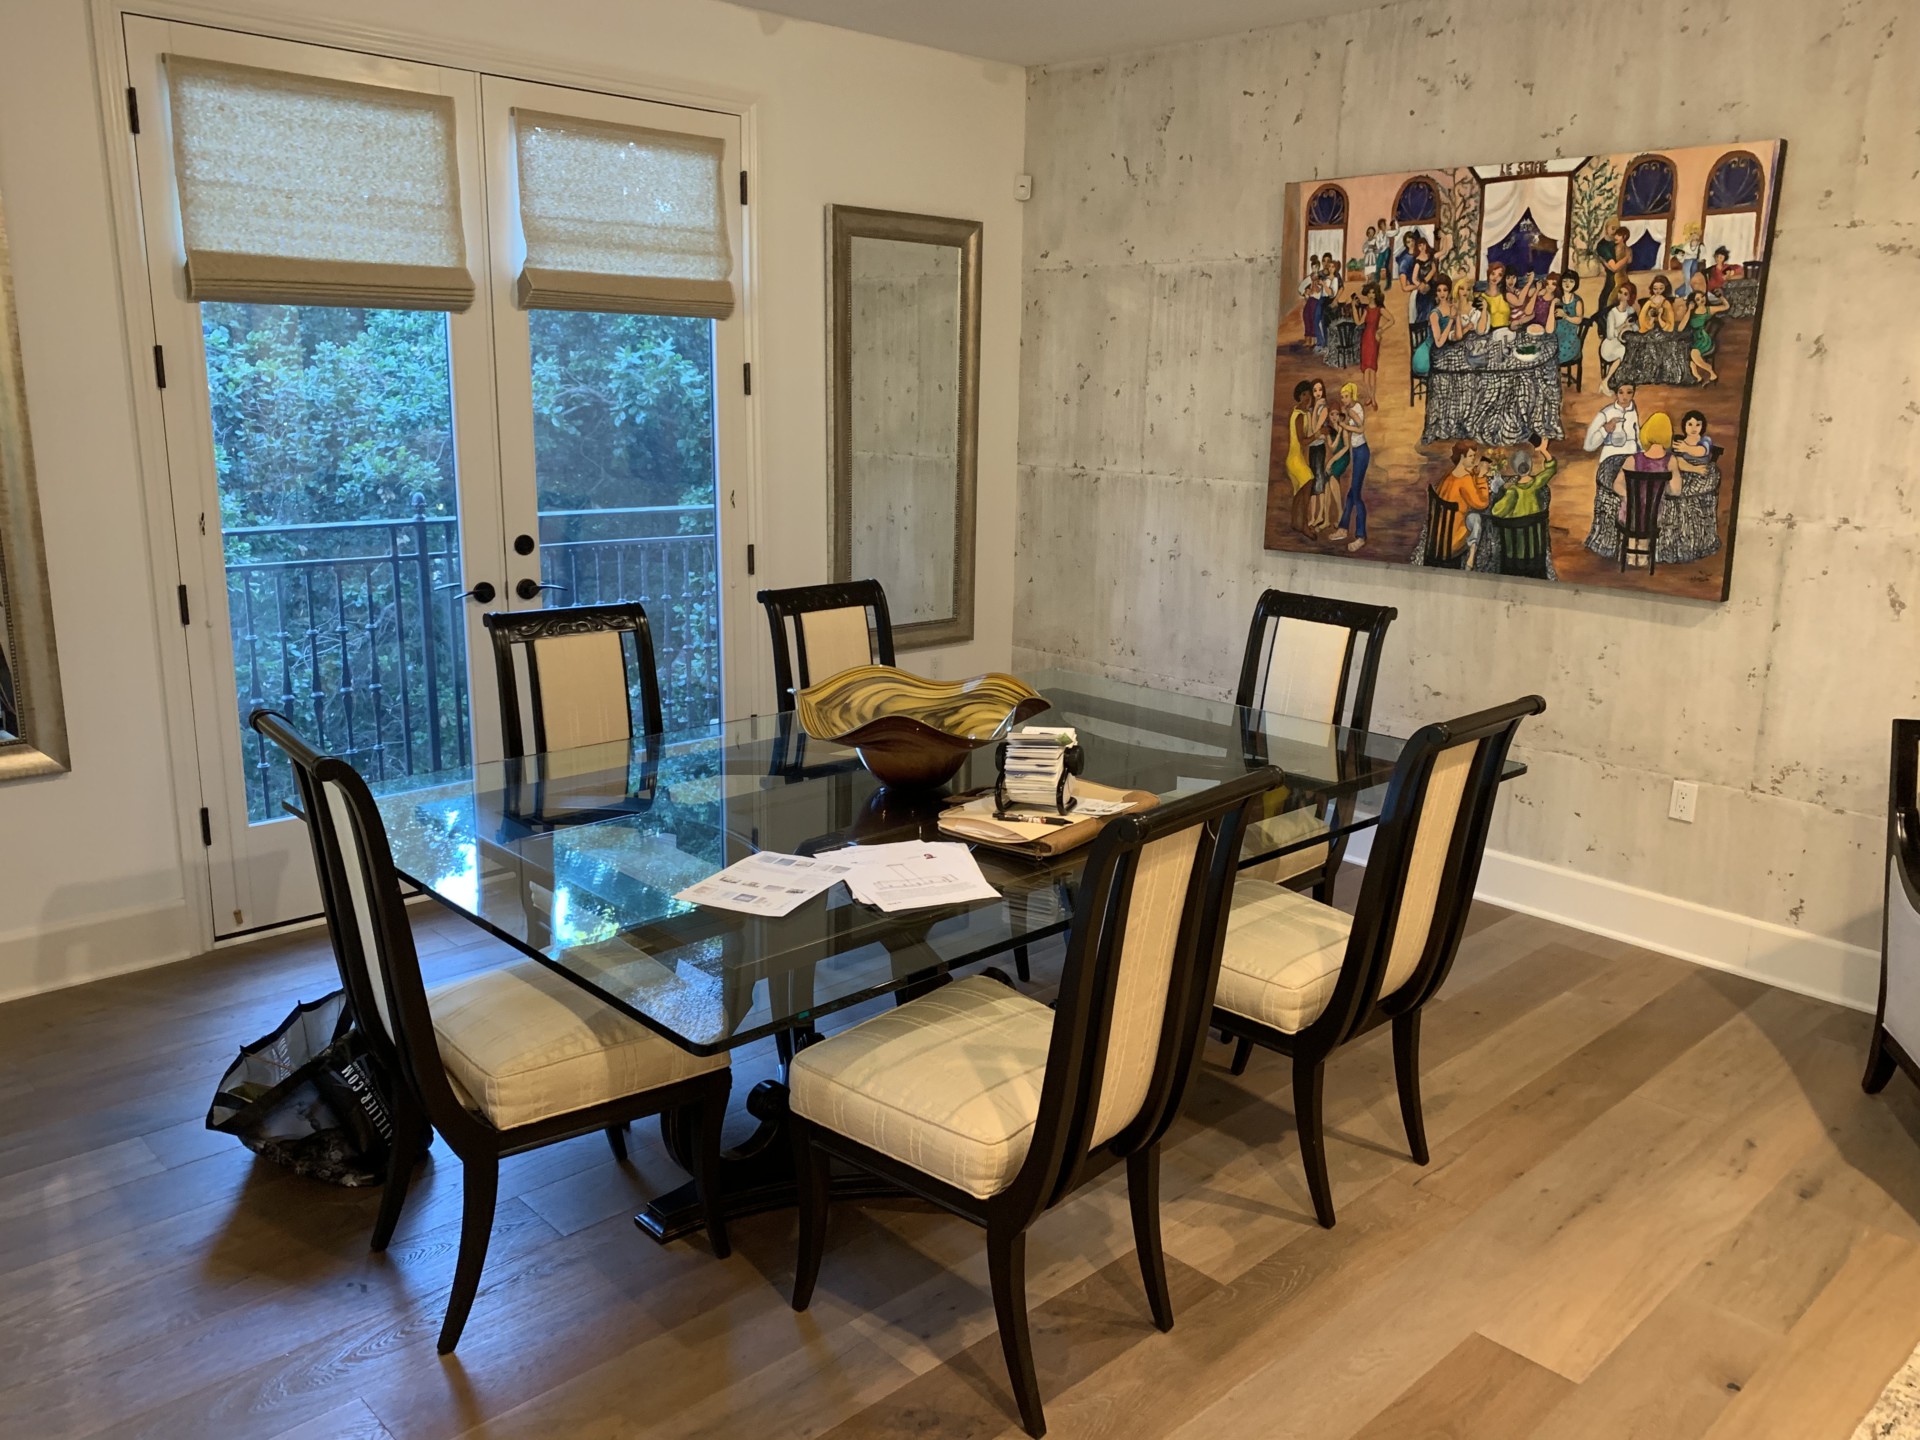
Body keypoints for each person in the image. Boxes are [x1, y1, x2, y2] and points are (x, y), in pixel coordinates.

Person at [1583, 380, 1641, 558]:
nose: (1625, 397)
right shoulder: (1606, 413)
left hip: (1631, 462)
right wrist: (1605, 430)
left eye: (1629, 392)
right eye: (1621, 392)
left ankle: (1631, 543)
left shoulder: (1633, 411)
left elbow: (1637, 439)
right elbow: (1588, 445)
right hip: (1610, 462)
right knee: (1613, 500)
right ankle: (1607, 544)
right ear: (1616, 393)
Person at [1659, 408, 1722, 563]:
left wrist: (1687, 449)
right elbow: (1674, 459)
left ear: (1702, 426)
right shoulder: (1679, 441)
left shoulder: (1704, 441)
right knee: (1674, 468)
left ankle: (1694, 537)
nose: (1694, 428)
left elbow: (1702, 452)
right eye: (1690, 424)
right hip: (1684, 470)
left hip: (1700, 470)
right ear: (1684, 426)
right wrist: (1681, 457)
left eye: (1698, 425)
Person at [1612, 411, 1673, 567]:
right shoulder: (1671, 461)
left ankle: (1631, 553)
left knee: (1631, 514)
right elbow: (1676, 491)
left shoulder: (1633, 460)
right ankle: (1643, 554)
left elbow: (1617, 484)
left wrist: (1629, 495)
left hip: (1630, 515)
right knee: (1650, 516)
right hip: (1653, 516)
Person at [1434, 441, 1492, 567]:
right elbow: (1482, 503)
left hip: (1438, 539)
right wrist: (1482, 477)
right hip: (1453, 541)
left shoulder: (1449, 476)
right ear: (1462, 457)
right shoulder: (1465, 480)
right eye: (1471, 456)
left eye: (1474, 456)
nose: (1474, 459)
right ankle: (1472, 556)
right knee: (1476, 518)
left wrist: (1474, 473)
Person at [1330, 381, 1370, 551]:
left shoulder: (1355, 409)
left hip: (1362, 453)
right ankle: (1343, 528)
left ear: (1352, 395)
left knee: (1356, 495)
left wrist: (1345, 424)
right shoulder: (1348, 410)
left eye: (1346, 396)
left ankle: (1360, 536)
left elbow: (1361, 429)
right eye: (1342, 396)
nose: (1343, 399)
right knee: (1351, 494)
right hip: (1357, 452)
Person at [1284, 379, 1318, 535]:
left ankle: (1294, 523)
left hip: (1295, 458)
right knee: (1308, 483)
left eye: (1308, 394)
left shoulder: (1302, 412)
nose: (1307, 397)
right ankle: (1304, 525)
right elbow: (1302, 441)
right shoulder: (1299, 416)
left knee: (1298, 492)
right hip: (1295, 460)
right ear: (1299, 396)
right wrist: (1318, 434)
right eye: (1303, 394)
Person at [1684, 286, 1730, 383]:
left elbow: (1726, 307)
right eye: (1698, 299)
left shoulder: (1709, 309)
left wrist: (1720, 297)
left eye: (1702, 297)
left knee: (1694, 353)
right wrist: (1689, 310)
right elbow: (1681, 327)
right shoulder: (1691, 312)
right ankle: (1698, 377)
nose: (1702, 300)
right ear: (1693, 302)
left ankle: (1711, 371)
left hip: (1704, 338)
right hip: (1695, 337)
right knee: (1690, 358)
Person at [1598, 281, 1638, 389]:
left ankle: (1622, 381)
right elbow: (1610, 335)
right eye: (1620, 292)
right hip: (1609, 346)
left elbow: (1636, 328)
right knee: (1623, 351)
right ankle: (1606, 381)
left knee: (1631, 351)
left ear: (1630, 297)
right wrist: (1623, 325)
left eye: (1625, 294)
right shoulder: (1612, 312)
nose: (1621, 295)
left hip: (1623, 343)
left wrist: (1631, 327)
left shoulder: (1630, 310)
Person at [1596, 224, 1632, 321]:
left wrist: (1603, 261)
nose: (1615, 237)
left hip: (1619, 281)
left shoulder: (1625, 250)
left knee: (1611, 304)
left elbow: (1615, 268)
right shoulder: (1616, 248)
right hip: (1618, 279)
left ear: (1624, 237)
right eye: (1616, 234)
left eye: (1618, 235)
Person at [1356, 281, 1385, 404]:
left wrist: (1380, 330)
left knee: (1372, 369)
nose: (1371, 295)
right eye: (1369, 293)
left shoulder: (1379, 309)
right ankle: (1369, 396)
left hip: (1373, 339)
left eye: (1373, 293)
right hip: (1365, 339)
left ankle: (1373, 397)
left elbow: (1392, 320)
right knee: (1365, 369)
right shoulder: (1366, 310)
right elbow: (1359, 322)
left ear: (1376, 294)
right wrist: (1353, 307)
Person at [1554, 270, 1586, 367]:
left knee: (1555, 354)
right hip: (1556, 334)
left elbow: (1579, 320)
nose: (1567, 284)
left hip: (1570, 338)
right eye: (1565, 281)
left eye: (1571, 281)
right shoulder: (1557, 299)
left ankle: (1555, 374)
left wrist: (1565, 316)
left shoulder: (1577, 301)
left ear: (1576, 284)